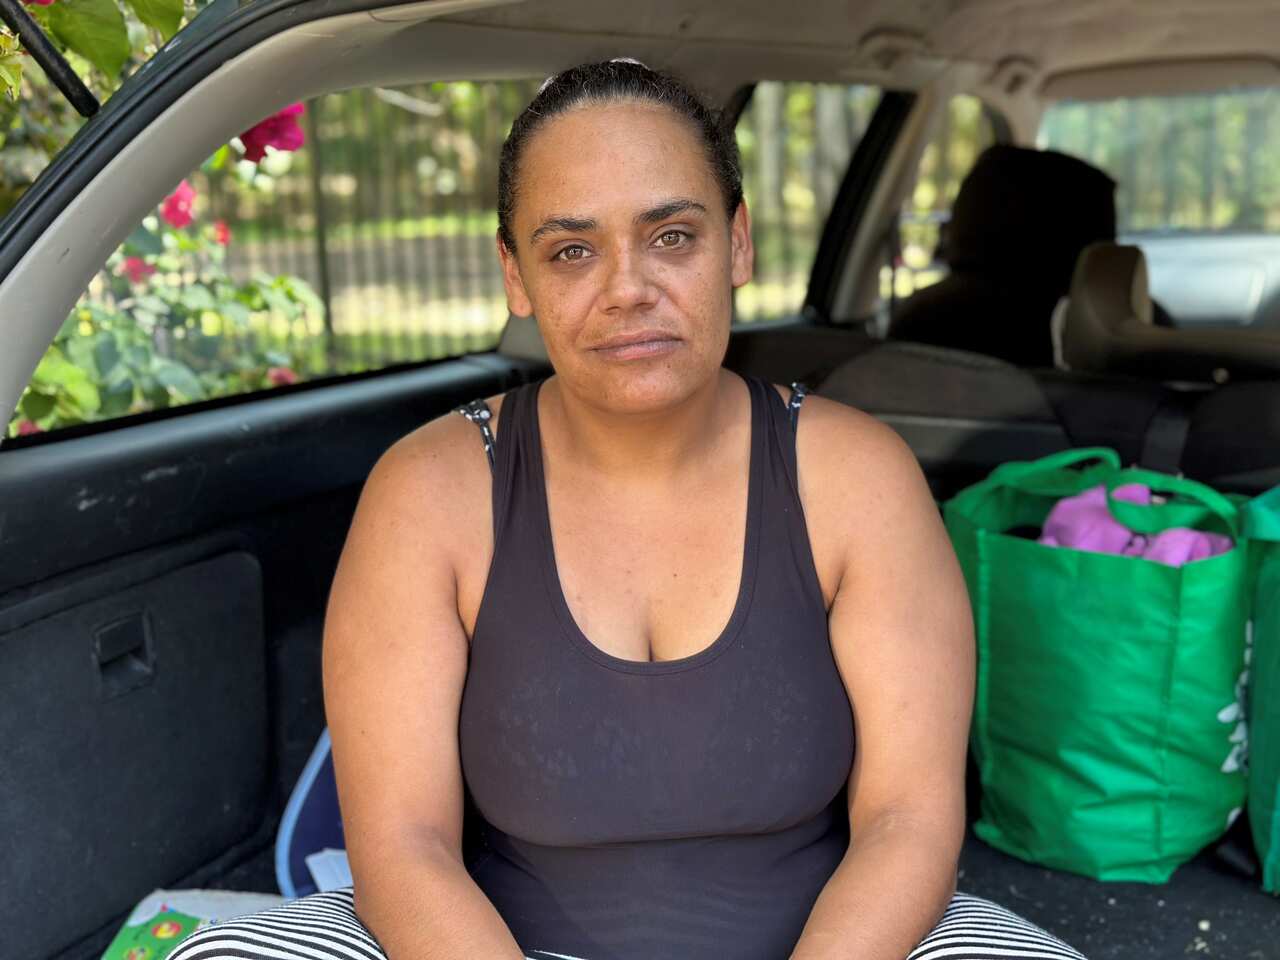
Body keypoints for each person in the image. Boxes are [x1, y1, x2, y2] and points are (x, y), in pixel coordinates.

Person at [169, 60, 1087, 960]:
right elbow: (404, 847)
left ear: (738, 243)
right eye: (572, 250)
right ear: (516, 276)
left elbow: (909, 822)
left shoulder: (857, 477)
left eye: (672, 236)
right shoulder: (429, 490)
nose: (627, 289)